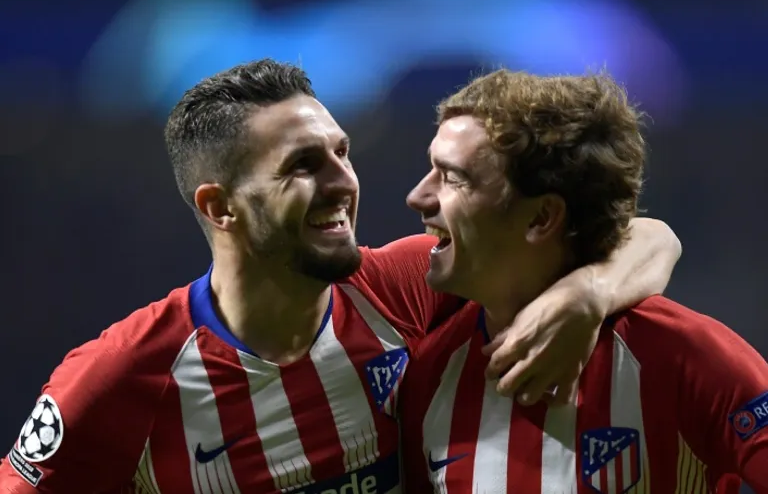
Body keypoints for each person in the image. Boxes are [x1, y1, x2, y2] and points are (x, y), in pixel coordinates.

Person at [0, 60, 680, 493]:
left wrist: (588, 292)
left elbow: (649, 237)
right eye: (303, 165)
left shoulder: (401, 289)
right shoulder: (123, 377)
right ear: (220, 207)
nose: (343, 182)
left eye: (341, 152)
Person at [400, 69, 768, 493]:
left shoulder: (685, 356)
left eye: (452, 178)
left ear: (541, 218)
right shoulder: (431, 373)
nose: (417, 197)